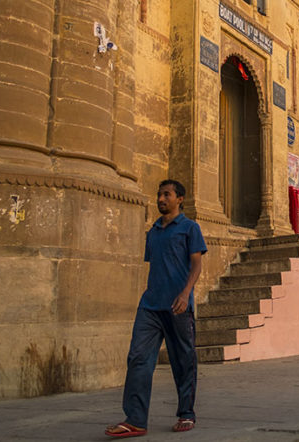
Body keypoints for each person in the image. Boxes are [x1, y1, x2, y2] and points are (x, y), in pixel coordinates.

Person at [106, 180, 207, 438]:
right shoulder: (153, 232)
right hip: (150, 306)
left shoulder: (189, 228)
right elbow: (157, 266)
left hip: (178, 307)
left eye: (167, 194)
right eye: (159, 194)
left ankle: (186, 413)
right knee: (138, 358)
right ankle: (136, 419)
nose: (161, 199)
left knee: (183, 361)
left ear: (180, 199)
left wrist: (186, 294)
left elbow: (196, 266)